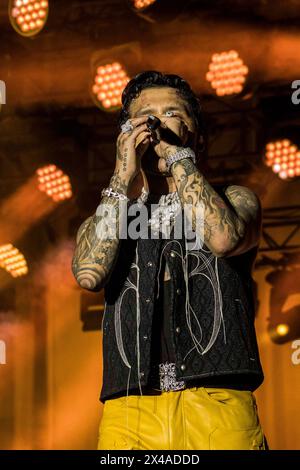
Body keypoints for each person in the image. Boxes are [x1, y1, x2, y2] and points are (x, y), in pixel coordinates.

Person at [72, 71, 267, 450]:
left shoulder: (236, 200)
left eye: (171, 113)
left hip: (217, 401)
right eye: (144, 116)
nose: (156, 124)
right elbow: (87, 273)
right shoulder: (113, 214)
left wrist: (177, 154)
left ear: (199, 133)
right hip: (131, 408)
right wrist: (121, 175)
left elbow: (223, 238)